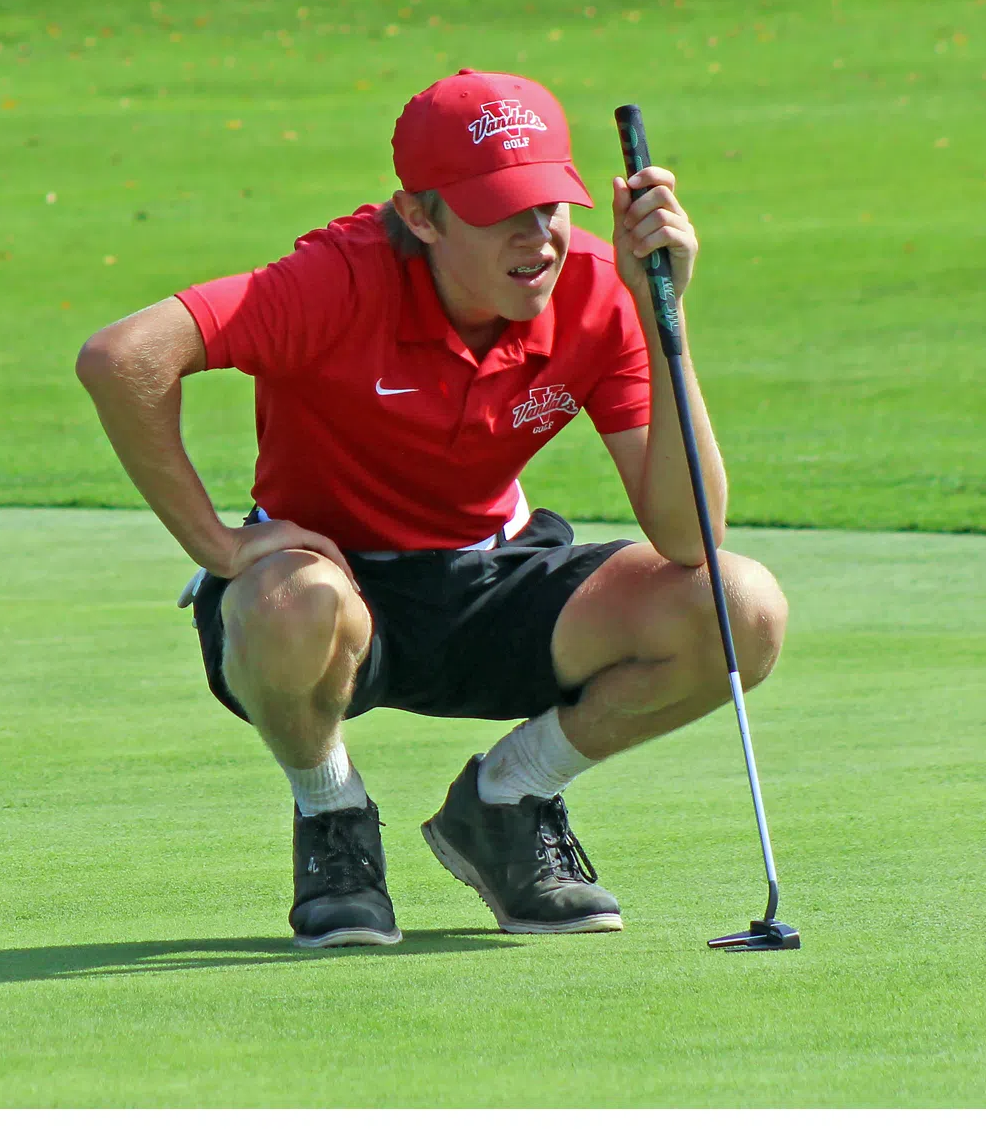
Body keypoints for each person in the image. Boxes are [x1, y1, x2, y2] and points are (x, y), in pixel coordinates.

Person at [74, 69, 788, 947]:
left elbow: (687, 536)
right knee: (289, 602)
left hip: (493, 575)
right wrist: (220, 546)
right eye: (499, 212)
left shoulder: (605, 289)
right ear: (419, 215)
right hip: (331, 589)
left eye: (550, 206)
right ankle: (331, 815)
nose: (537, 240)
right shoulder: (334, 280)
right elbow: (123, 357)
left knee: (740, 607)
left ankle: (506, 800)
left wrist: (659, 313)